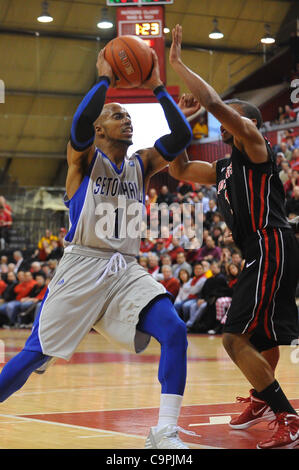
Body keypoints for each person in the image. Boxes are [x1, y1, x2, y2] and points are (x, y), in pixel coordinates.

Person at [0, 48, 193, 450]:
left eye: (128, 116)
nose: (127, 120)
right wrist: (105, 78)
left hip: (124, 269)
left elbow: (182, 137)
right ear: (100, 129)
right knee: (33, 356)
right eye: (117, 115)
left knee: (174, 330)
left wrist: (156, 84)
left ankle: (166, 432)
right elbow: (79, 123)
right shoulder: (83, 161)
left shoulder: (142, 162)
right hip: (82, 266)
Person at [168, 24, 299, 449]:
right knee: (264, 339)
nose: (222, 121)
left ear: (247, 123)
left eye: (232, 115)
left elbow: (213, 102)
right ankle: (264, 398)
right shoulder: (222, 168)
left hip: (270, 242)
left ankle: (288, 417)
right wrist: (181, 118)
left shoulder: (256, 146)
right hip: (262, 250)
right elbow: (179, 168)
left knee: (232, 338)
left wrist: (177, 65)